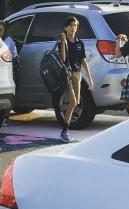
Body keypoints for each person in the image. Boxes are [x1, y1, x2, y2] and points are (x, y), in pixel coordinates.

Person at [57, 16, 94, 144]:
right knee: (72, 102)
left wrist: (90, 79)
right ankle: (64, 130)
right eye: (71, 25)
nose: (73, 28)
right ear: (65, 27)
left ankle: (65, 128)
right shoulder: (63, 41)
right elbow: (62, 59)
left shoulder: (79, 43)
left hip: (77, 75)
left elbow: (83, 61)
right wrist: (63, 42)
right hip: (67, 74)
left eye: (75, 25)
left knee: (76, 102)